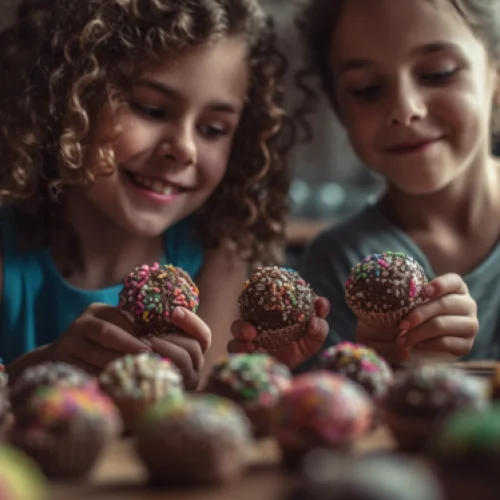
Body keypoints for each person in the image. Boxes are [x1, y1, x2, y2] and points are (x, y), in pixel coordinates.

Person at [0, 0, 293, 388]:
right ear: (65, 96)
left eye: (213, 129)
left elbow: (210, 421)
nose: (184, 148)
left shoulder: (217, 259)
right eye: (151, 109)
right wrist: (42, 370)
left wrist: (198, 388)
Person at [231, 0, 494, 369]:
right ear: (340, 107)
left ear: (495, 74)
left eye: (438, 73)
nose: (405, 109)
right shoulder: (337, 263)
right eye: (367, 89)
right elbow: (331, 415)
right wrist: (389, 361)